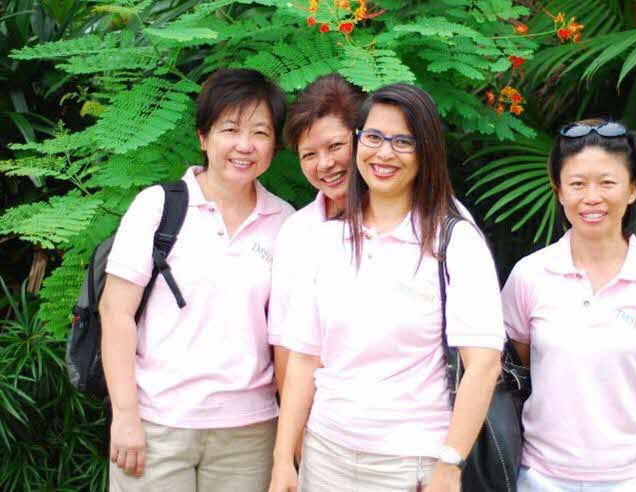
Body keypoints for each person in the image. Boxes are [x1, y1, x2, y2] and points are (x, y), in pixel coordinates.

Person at [268, 83, 504, 492]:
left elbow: (483, 365)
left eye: (402, 141)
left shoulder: (454, 241)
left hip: (411, 463)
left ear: (426, 151)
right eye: (374, 137)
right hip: (325, 453)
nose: (384, 153)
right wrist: (282, 459)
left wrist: (449, 466)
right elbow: (304, 358)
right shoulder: (328, 240)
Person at [99, 68, 294, 491]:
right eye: (230, 129)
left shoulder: (287, 222)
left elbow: (289, 338)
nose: (245, 146)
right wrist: (126, 415)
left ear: (274, 144)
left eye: (260, 132)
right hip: (158, 424)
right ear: (203, 137)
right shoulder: (157, 206)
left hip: (250, 430)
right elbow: (116, 313)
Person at [502, 119, 636, 491]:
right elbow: (519, 366)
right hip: (541, 477)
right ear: (559, 192)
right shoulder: (529, 275)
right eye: (577, 184)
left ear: (632, 190)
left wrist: (628, 434)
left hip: (633, 479)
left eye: (607, 183)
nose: (591, 197)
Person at [268, 73, 363, 392]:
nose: (325, 164)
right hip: (320, 425)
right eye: (309, 154)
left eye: (336, 146)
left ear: (364, 138)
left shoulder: (426, 218)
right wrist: (293, 438)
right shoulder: (296, 232)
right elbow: (284, 343)